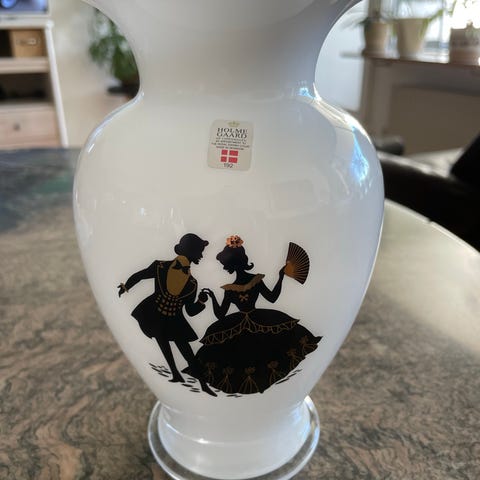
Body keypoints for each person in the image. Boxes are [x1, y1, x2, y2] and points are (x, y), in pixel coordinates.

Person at [189, 235, 321, 395]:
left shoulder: (232, 289)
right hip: (257, 318)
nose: (224, 267)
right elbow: (272, 298)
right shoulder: (252, 281)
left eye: (225, 264)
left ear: (231, 265)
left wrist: (212, 298)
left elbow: (220, 315)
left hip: (245, 321)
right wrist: (280, 278)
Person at [118, 233, 216, 396]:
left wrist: (201, 301)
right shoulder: (160, 266)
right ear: (191, 251)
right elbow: (141, 275)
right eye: (200, 251)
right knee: (162, 343)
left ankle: (203, 384)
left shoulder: (192, 283)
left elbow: (190, 311)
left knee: (188, 353)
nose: (201, 255)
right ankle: (175, 373)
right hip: (154, 312)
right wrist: (126, 286)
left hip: (176, 319)